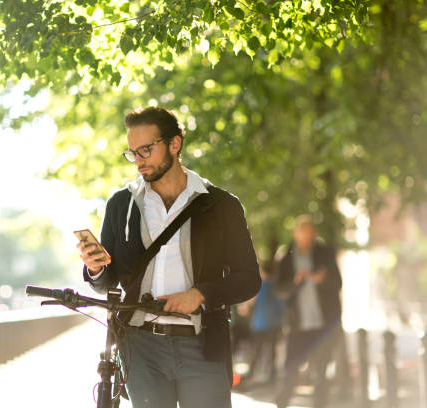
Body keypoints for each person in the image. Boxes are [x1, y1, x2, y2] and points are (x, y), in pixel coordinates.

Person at [77, 106, 261, 408]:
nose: (138, 161)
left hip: (203, 345)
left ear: (174, 144)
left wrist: (200, 294)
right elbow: (107, 284)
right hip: (140, 347)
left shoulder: (221, 206)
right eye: (132, 153)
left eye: (146, 150)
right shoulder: (121, 205)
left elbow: (249, 280)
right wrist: (95, 269)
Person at [274, 215, 342, 408]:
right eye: (302, 233)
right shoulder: (286, 258)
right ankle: (282, 404)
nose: (306, 237)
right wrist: (295, 283)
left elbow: (338, 283)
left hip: (323, 325)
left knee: (321, 373)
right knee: (290, 371)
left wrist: (323, 280)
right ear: (295, 234)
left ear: (314, 234)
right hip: (298, 325)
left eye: (310, 233)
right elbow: (279, 291)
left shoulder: (326, 254)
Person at [244, 268, 285, 384]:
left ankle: (253, 374)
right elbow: (281, 306)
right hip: (273, 324)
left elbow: (249, 304)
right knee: (272, 352)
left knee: (256, 351)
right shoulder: (275, 286)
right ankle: (271, 376)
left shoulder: (259, 287)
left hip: (260, 324)